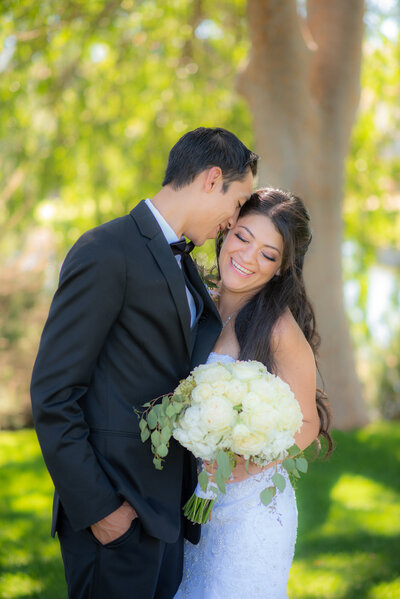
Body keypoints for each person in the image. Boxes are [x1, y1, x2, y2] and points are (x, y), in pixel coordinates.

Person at [30, 127, 259, 599]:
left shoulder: (185, 262)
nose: (232, 220)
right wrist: (100, 508)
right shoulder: (105, 250)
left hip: (165, 514)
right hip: (115, 511)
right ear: (212, 179)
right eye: (237, 203)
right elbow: (53, 394)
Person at [174, 187, 333, 599]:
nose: (247, 257)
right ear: (226, 232)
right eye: (244, 237)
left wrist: (249, 463)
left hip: (250, 514)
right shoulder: (197, 304)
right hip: (190, 506)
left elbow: (308, 423)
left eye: (268, 254)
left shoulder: (277, 328)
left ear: (281, 268)